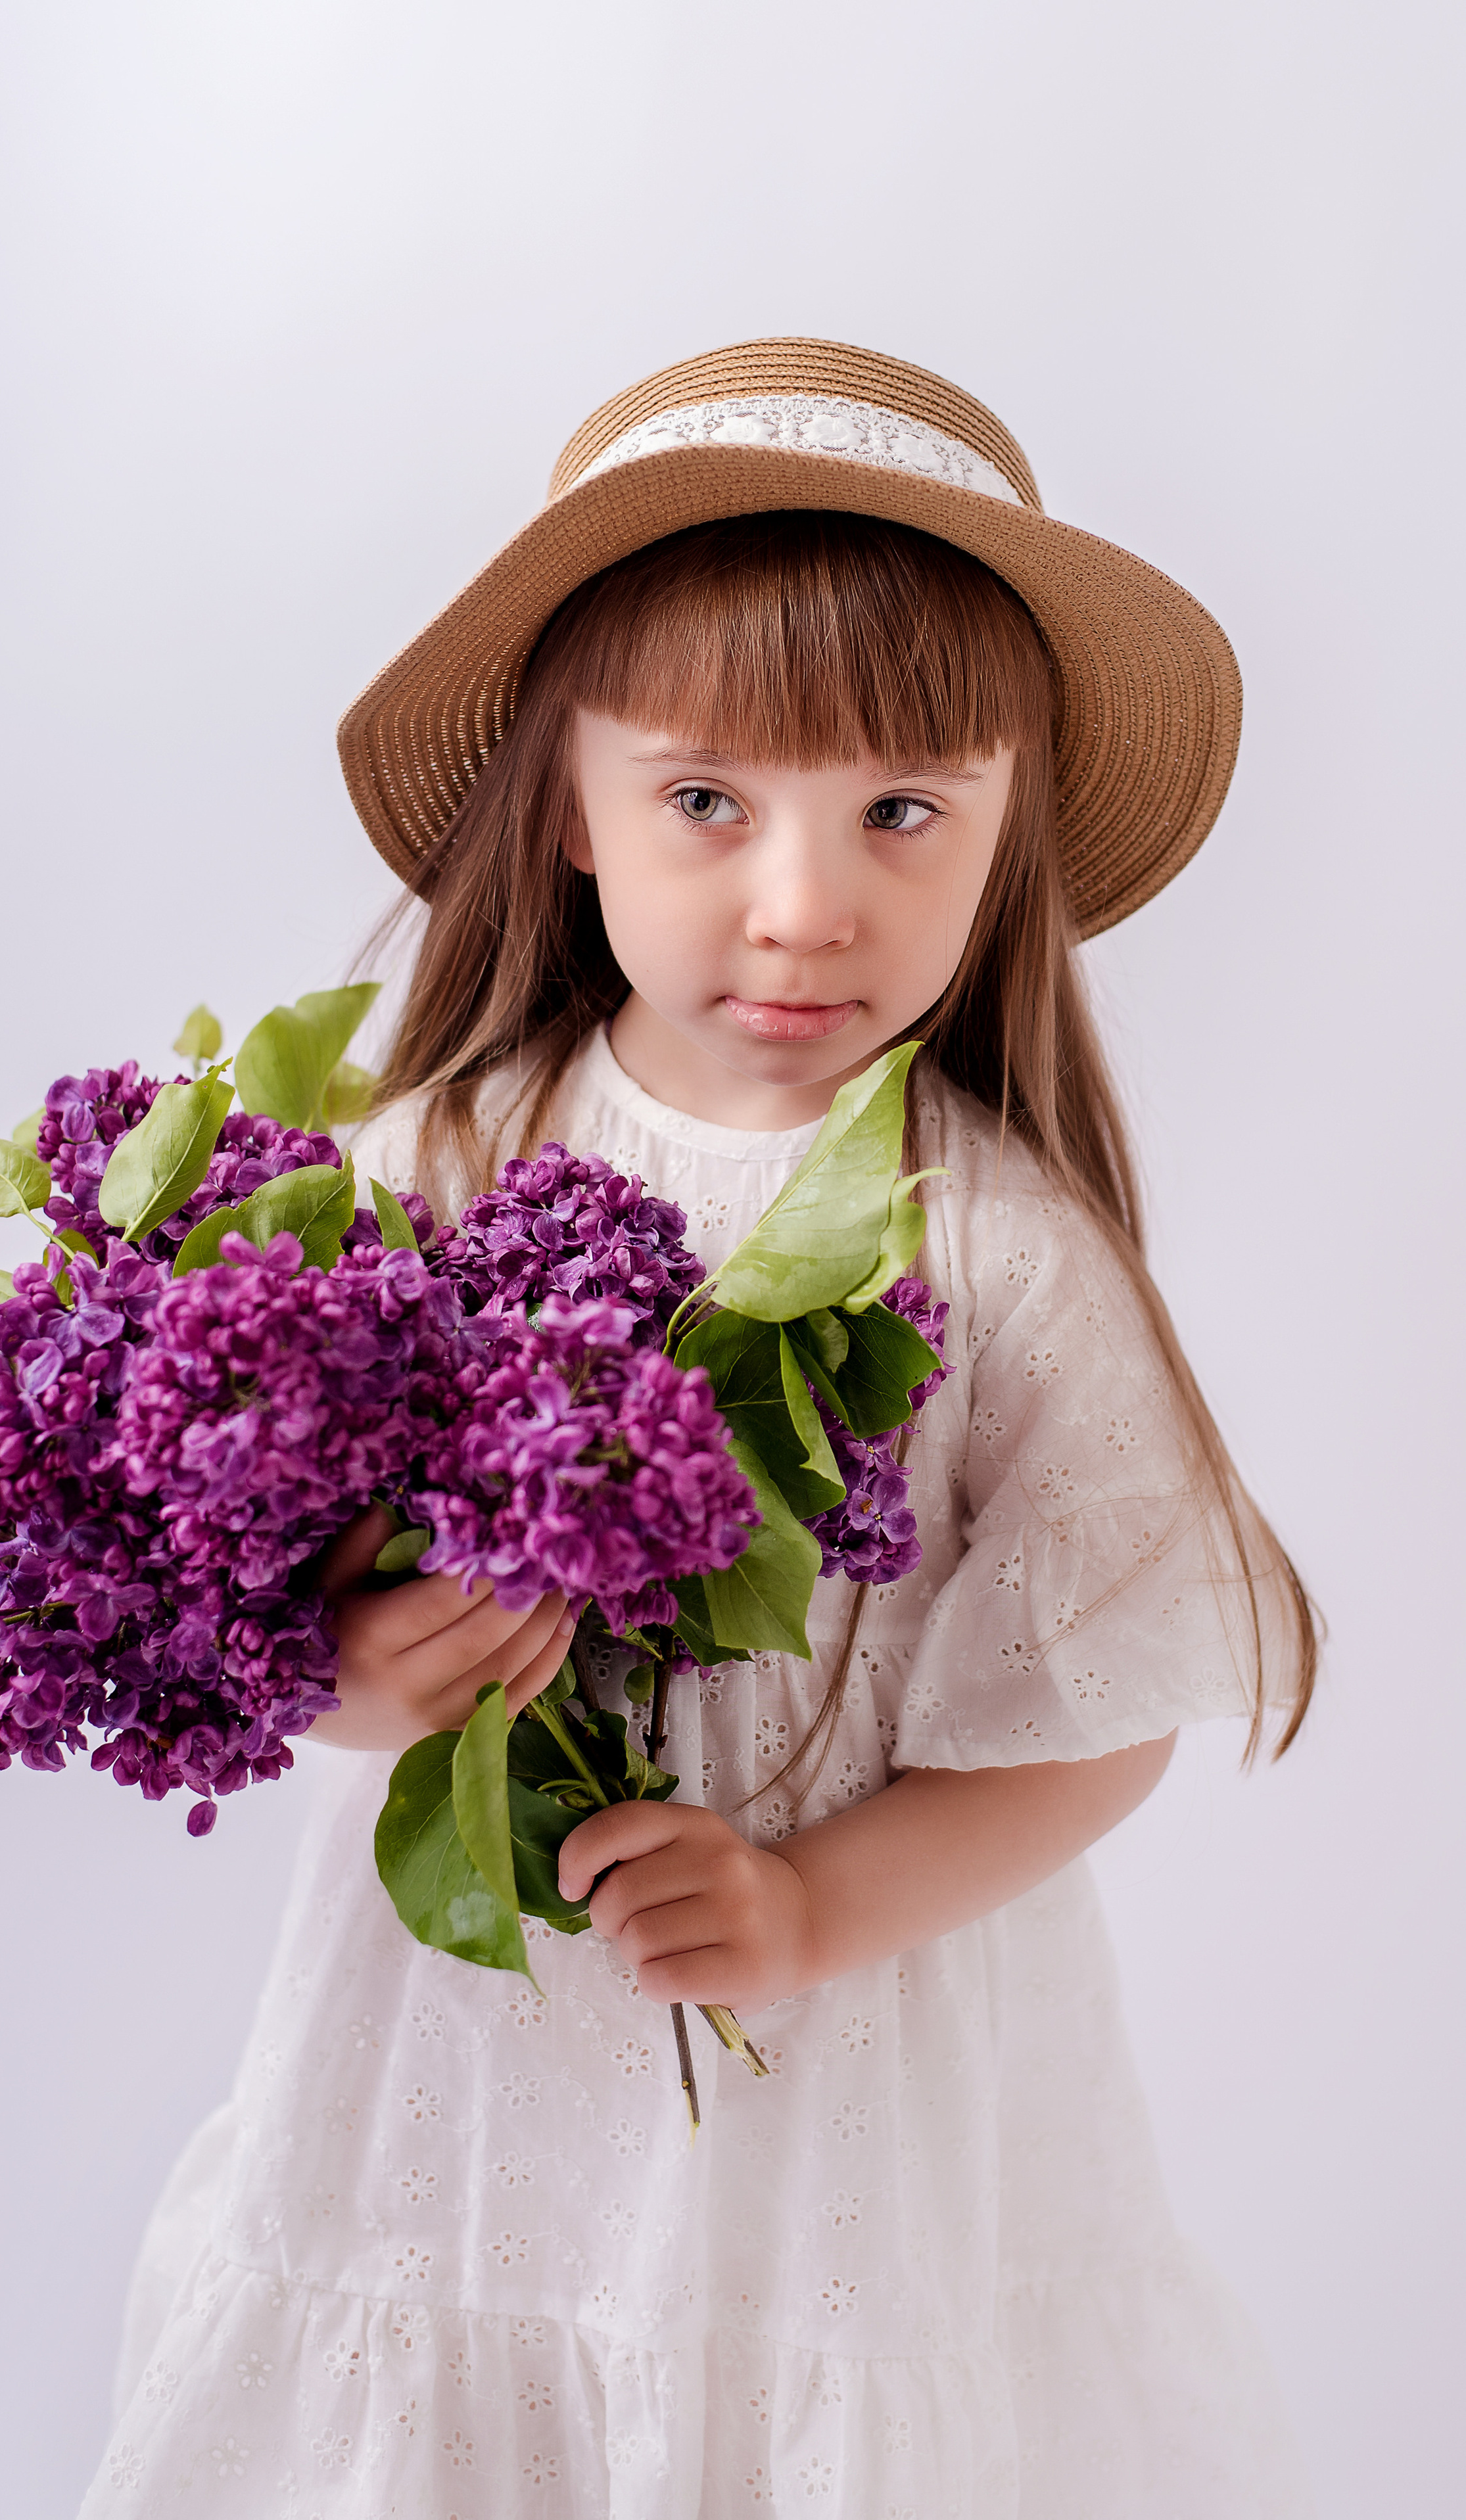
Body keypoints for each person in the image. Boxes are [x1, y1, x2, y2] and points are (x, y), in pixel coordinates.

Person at [78, 339, 1317, 2517]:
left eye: (902, 811)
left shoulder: (997, 1245)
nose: (804, 902)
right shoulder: (437, 1159)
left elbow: (1098, 1708)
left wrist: (817, 1900)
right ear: (571, 804)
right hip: (461, 2061)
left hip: (833, 2068)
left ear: (1007, 822)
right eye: (709, 800)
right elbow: (267, 1537)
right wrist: (348, 1671)